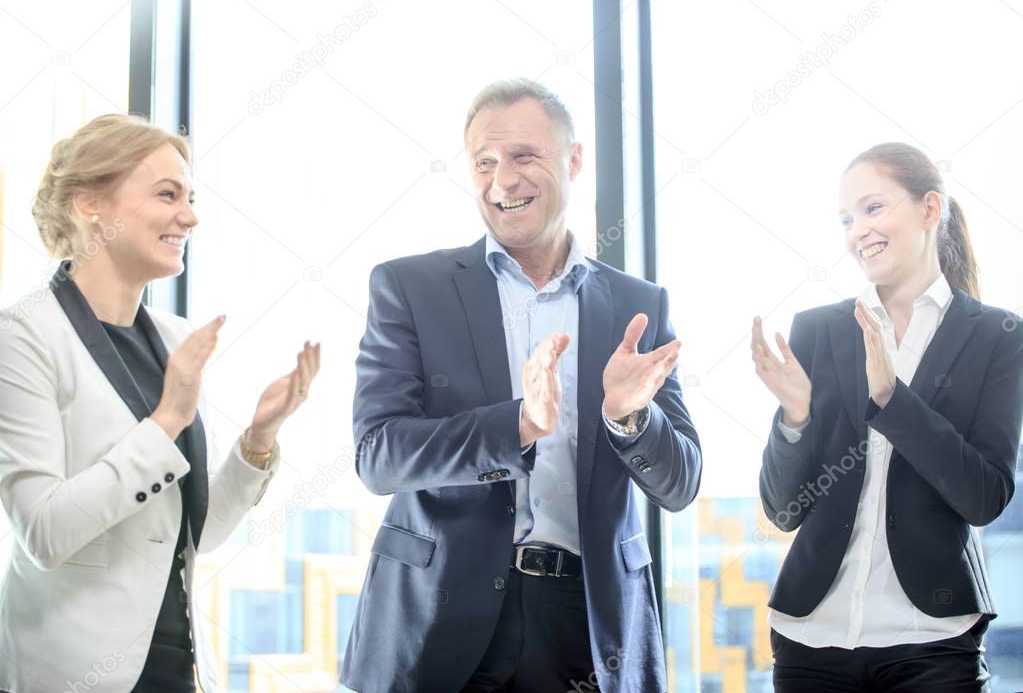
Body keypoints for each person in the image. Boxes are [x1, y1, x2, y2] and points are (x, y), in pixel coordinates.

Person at [340, 79, 702, 693]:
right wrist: (519, 427)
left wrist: (629, 419)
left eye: (524, 157)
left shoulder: (638, 305)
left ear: (574, 160)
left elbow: (680, 484)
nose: (502, 181)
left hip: (585, 625)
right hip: (437, 621)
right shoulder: (410, 288)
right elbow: (378, 456)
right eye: (485, 162)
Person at [0, 114, 320, 693]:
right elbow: (43, 533)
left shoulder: (173, 337)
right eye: (168, 194)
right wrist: (168, 418)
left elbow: (200, 532)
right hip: (72, 673)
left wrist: (259, 439)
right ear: (89, 203)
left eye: (191, 198)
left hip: (177, 667)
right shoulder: (23, 336)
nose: (190, 216)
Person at [753, 142, 1023, 692]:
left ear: (929, 209)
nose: (858, 231)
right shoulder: (818, 330)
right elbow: (784, 510)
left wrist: (893, 401)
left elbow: (985, 497)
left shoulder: (996, 337)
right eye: (847, 218)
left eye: (873, 208)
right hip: (811, 638)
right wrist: (795, 417)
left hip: (932, 640)